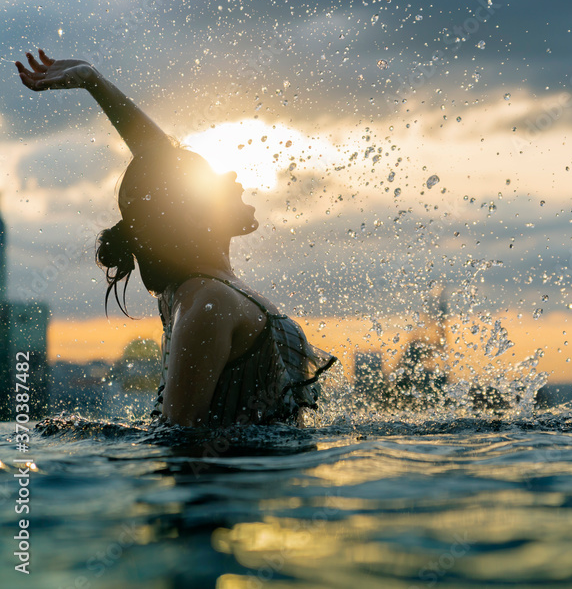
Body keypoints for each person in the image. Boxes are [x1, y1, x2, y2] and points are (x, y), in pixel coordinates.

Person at [15, 49, 336, 428]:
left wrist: (94, 81)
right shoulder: (208, 300)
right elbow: (179, 439)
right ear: (191, 212)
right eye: (211, 181)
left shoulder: (208, 289)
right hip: (235, 484)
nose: (231, 176)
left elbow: (161, 159)